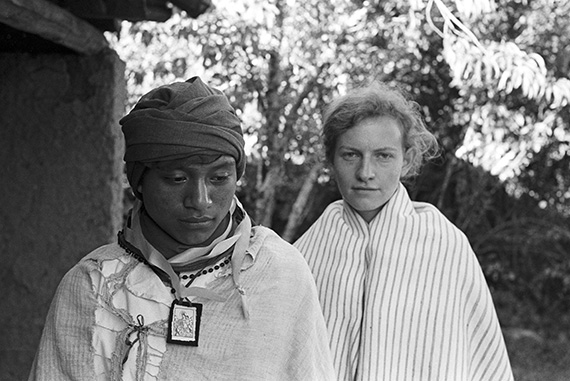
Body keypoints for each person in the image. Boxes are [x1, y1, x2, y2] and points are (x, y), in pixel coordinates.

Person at [29, 77, 335, 380]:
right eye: (177, 179)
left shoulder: (278, 272)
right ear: (139, 182)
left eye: (219, 178)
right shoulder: (94, 285)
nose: (200, 201)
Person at [294, 81, 514, 381]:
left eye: (383, 156)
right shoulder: (306, 252)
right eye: (350, 155)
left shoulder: (444, 245)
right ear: (331, 159)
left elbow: (481, 358)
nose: (365, 173)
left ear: (407, 160)